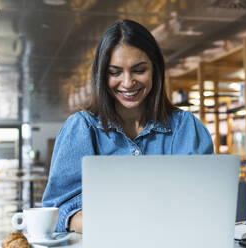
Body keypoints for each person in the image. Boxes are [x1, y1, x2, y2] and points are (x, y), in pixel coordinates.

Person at [42, 19, 214, 234]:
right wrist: (92, 222)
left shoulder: (186, 128)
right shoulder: (82, 128)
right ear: (101, 76)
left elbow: (205, 203)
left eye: (139, 70)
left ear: (156, 70)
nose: (127, 82)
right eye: (114, 72)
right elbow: (55, 210)